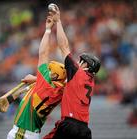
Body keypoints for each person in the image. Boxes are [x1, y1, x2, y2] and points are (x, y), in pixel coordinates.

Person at [43, 4, 101, 139]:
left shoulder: (77, 73)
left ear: (86, 64)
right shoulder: (91, 81)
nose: (78, 62)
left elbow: (63, 46)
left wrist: (58, 21)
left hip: (70, 125)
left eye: (82, 61)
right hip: (85, 129)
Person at [6, 12, 66, 139]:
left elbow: (43, 53)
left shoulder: (45, 84)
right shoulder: (59, 89)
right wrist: (35, 79)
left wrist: (48, 30)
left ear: (54, 76)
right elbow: (56, 82)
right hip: (32, 134)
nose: (47, 71)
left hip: (21, 133)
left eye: (49, 70)